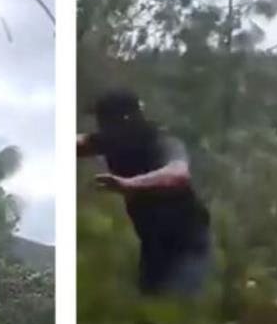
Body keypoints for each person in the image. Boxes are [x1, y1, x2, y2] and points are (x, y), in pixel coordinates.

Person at [78, 88, 211, 297]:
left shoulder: (162, 140)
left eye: (103, 119)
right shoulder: (110, 141)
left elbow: (178, 173)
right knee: (148, 309)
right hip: (152, 240)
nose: (100, 126)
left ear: (123, 119)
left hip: (186, 238)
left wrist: (129, 184)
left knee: (173, 307)